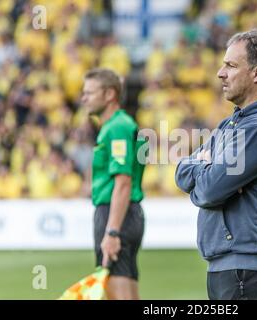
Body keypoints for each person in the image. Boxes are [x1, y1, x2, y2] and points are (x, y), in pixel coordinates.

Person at [175, 29, 257, 300]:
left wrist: (205, 173)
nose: (221, 73)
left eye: (231, 65)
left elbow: (209, 190)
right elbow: (181, 171)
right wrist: (207, 171)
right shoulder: (232, 124)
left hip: (246, 266)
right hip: (232, 264)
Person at [81, 68, 147, 300]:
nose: (83, 98)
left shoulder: (117, 127)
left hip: (116, 213)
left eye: (89, 92)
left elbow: (123, 182)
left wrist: (111, 231)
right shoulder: (117, 125)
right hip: (123, 214)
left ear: (109, 94)